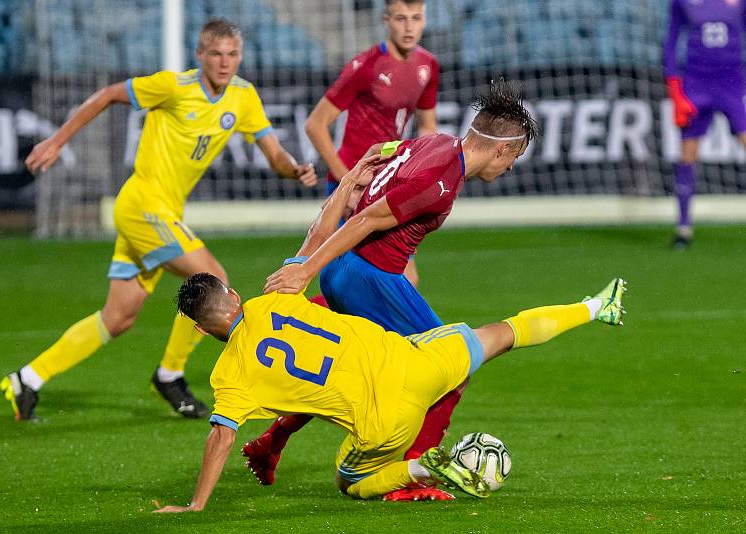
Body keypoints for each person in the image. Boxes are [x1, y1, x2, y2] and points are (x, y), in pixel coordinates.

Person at [0, 19, 317, 421]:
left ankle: (27, 379)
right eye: (215, 54)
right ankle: (170, 374)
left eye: (232, 54)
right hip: (143, 206)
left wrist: (294, 169)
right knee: (213, 281)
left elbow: (273, 153)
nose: (224, 62)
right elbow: (108, 95)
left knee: (118, 317)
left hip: (162, 213)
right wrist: (57, 140)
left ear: (240, 56)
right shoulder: (174, 86)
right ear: (200, 55)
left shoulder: (243, 97)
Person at [242, 79, 538, 499]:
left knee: (340, 364)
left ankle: (272, 442)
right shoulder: (440, 181)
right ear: (501, 149)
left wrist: (354, 181)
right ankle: (407, 477)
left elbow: (381, 152)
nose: (509, 169)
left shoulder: (434, 142)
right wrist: (304, 270)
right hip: (369, 279)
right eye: (514, 159)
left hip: (347, 269)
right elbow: (365, 221)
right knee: (454, 368)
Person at [153, 268, 626, 511]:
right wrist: (348, 185)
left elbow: (221, 436)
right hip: (417, 362)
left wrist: (196, 505)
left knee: (348, 482)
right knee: (503, 332)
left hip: (386, 422)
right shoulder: (274, 296)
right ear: (233, 295)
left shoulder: (230, 375)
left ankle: (422, 465)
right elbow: (313, 243)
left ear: (199, 329)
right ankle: (594, 306)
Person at [305, 0, 439, 289]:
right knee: (370, 283)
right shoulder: (366, 66)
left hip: (388, 182)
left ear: (424, 20)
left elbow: (428, 125)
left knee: (395, 281)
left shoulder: (428, 65)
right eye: (401, 18)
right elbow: (315, 124)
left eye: (415, 18)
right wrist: (347, 182)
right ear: (386, 20)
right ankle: (291, 323)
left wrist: (427, 169)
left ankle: (298, 325)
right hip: (353, 181)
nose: (409, 26)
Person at [663, 0, 746, 249]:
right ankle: (684, 228)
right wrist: (675, 90)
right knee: (688, 155)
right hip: (696, 84)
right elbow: (670, 41)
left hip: (732, 82)